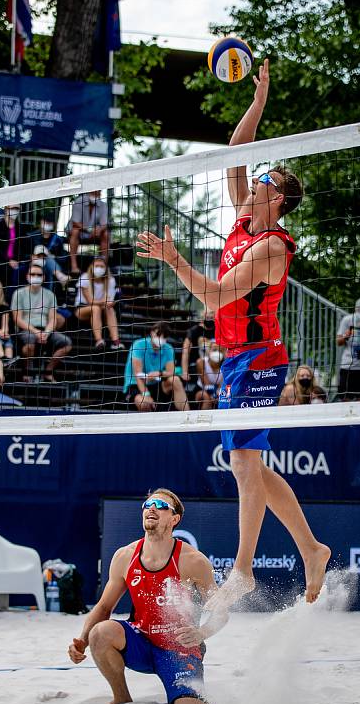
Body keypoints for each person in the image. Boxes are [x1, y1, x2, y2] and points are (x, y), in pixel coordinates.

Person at [137, 59, 331, 610]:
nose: (250, 185)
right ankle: (312, 549)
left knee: (245, 462)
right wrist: (259, 100)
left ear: (275, 201)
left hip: (260, 357)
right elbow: (235, 150)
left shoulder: (270, 245)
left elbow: (218, 296)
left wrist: (175, 260)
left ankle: (242, 569)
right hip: (237, 356)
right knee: (254, 463)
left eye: (262, 183)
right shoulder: (244, 223)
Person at [68, 489, 228, 704]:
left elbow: (221, 612)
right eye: (148, 504)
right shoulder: (125, 556)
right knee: (100, 633)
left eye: (161, 505)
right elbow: (104, 607)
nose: (152, 508)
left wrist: (202, 633)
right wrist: (82, 641)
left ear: (174, 519)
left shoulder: (192, 561)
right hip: (141, 641)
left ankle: (194, 697)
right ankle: (122, 699)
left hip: (178, 649)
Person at [11, 261, 72, 382]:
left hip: (45, 330)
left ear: (44, 277)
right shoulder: (19, 293)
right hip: (26, 329)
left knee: (67, 343)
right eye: (32, 274)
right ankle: (27, 373)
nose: (35, 277)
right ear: (27, 276)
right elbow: (17, 319)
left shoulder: (50, 295)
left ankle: (48, 372)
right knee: (29, 343)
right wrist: (35, 332)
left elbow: (53, 318)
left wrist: (47, 332)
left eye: (39, 275)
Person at [123, 322, 188, 411]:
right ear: (151, 333)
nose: (161, 338)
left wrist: (160, 373)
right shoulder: (138, 345)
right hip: (135, 385)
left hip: (156, 384)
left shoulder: (168, 348)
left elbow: (171, 373)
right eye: (158, 335)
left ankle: (187, 416)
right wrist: (146, 395)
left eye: (164, 337)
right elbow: (138, 375)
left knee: (175, 380)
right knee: (144, 403)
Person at [74, 257, 123, 350]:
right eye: (97, 266)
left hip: (102, 311)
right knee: (95, 308)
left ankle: (116, 342)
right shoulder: (84, 278)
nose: (99, 268)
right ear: (91, 267)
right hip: (82, 309)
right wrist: (106, 302)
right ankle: (99, 340)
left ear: (106, 268)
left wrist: (109, 303)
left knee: (110, 309)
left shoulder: (111, 280)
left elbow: (108, 301)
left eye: (101, 266)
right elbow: (90, 301)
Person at [68, 191, 110, 274]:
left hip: (94, 234)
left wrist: (99, 230)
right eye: (94, 193)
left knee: (106, 234)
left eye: (98, 193)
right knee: (75, 231)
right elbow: (75, 222)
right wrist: (90, 229)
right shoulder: (79, 201)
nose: (96, 195)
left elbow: (104, 224)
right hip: (79, 231)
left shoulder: (103, 205)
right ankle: (74, 266)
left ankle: (104, 265)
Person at [181, 309, 216, 405]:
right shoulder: (194, 331)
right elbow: (185, 351)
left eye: (212, 318)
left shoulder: (218, 329)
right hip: (197, 367)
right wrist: (184, 371)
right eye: (207, 317)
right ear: (203, 318)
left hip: (215, 367)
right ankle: (210, 392)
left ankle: (216, 392)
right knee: (206, 396)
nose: (209, 319)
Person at [195, 340, 225, 409]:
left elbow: (222, 385)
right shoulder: (201, 362)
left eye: (220, 350)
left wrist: (218, 394)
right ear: (209, 351)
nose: (217, 353)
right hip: (201, 389)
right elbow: (207, 385)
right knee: (206, 397)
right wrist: (213, 394)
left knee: (225, 397)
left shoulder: (226, 365)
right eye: (214, 350)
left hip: (219, 391)